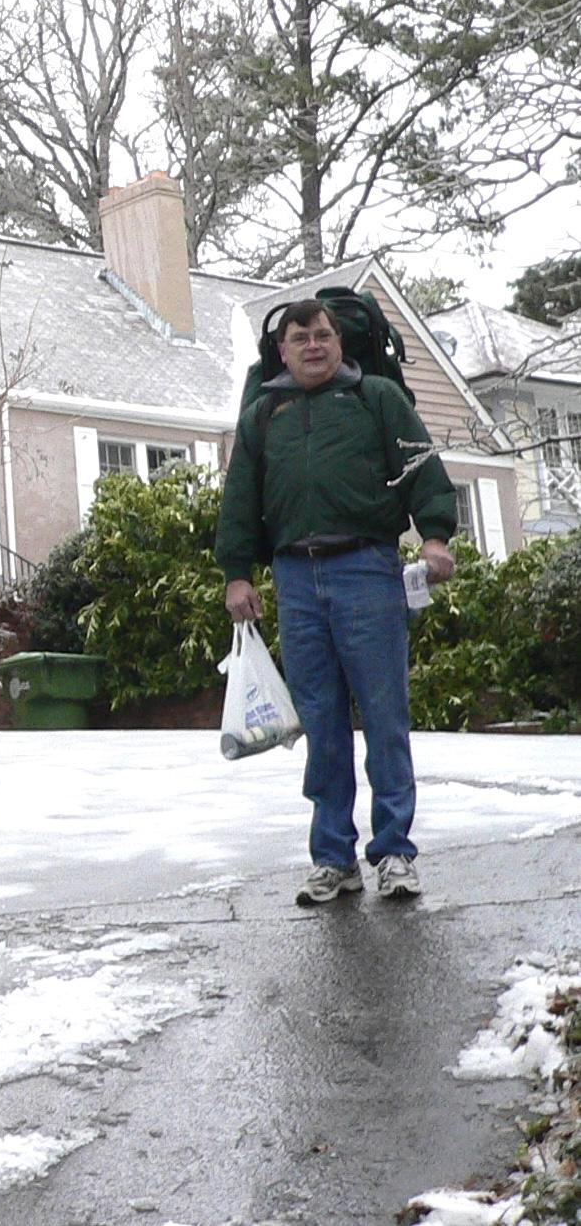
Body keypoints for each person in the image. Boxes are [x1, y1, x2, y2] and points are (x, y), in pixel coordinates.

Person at [215, 298, 456, 906]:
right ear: (283, 351)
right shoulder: (263, 415)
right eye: (301, 339)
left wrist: (434, 536)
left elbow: (423, 470)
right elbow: (240, 498)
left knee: (384, 716)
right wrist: (237, 574)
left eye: (323, 335)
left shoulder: (377, 398)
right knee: (321, 725)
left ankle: (394, 852)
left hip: (367, 570)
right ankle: (333, 859)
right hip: (295, 580)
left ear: (340, 342)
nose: (314, 346)